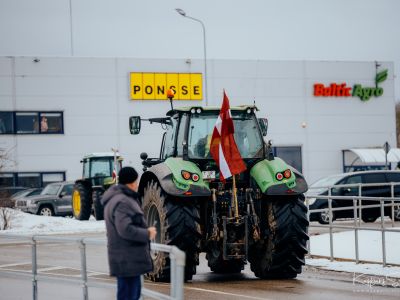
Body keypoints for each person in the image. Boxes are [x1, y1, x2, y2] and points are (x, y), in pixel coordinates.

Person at [101, 166, 157, 300]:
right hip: (128, 261)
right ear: (131, 182)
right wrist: (147, 233)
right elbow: (125, 229)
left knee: (128, 295)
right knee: (129, 296)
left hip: (126, 261)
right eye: (136, 182)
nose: (137, 185)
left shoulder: (116, 198)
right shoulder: (123, 202)